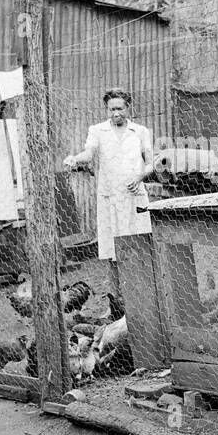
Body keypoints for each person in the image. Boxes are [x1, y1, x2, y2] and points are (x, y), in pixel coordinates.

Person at [63, 88, 154, 292]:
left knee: (138, 246)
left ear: (128, 107)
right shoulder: (97, 130)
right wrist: (75, 158)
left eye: (120, 108)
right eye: (111, 109)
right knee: (111, 250)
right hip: (110, 197)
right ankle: (115, 300)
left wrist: (139, 177)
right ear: (106, 109)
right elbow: (89, 154)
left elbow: (150, 164)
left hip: (133, 197)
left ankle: (142, 295)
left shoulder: (140, 131)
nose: (116, 114)